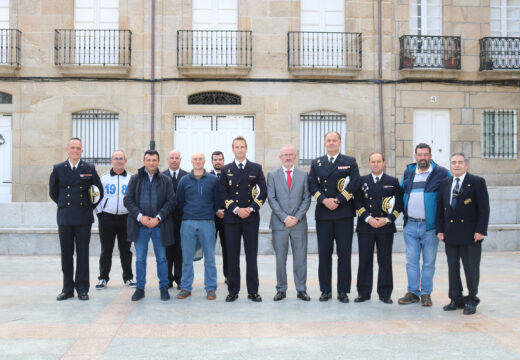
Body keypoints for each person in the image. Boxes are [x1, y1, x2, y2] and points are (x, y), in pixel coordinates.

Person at [308, 131, 360, 303]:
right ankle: (325, 290)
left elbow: (355, 183)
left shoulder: (349, 162)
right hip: (324, 214)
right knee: (324, 254)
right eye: (328, 140)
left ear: (340, 142)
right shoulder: (316, 163)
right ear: (324, 143)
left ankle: (343, 291)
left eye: (334, 140)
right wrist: (323, 200)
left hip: (343, 213)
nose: (331, 143)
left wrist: (338, 199)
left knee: (344, 254)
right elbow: (312, 184)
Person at [49, 137, 103, 301]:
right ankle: (67, 288)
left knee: (83, 254)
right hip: (65, 217)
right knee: (66, 254)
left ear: (82, 151)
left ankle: (82, 288)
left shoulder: (89, 168)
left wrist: (87, 207)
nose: (75, 150)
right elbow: (53, 192)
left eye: (78, 148)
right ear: (67, 150)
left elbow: (98, 191)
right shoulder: (58, 168)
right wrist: (64, 205)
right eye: (72, 147)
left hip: (83, 218)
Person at [436, 152, 489, 315]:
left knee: (471, 269)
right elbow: (440, 209)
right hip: (450, 234)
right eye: (453, 162)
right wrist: (440, 230)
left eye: (460, 162)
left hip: (471, 235)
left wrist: (480, 230)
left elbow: (484, 209)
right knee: (453, 268)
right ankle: (455, 298)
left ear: (466, 165)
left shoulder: (477, 182)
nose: (456, 165)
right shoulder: (445, 183)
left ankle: (472, 299)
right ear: (450, 165)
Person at [398, 143, 449, 307]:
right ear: (415, 156)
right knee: (411, 261)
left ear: (431, 156)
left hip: (430, 227)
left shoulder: (441, 173)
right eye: (419, 155)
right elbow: (400, 193)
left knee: (428, 262)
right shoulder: (409, 172)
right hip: (411, 225)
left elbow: (450, 193)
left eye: (425, 155)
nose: (422, 158)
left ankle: (426, 293)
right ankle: (413, 292)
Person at [219, 136, 267, 302]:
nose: (239, 150)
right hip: (232, 219)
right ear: (233, 150)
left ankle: (253, 291)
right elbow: (223, 193)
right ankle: (233, 290)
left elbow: (263, 192)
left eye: (242, 147)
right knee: (232, 255)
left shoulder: (256, 168)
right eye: (236, 147)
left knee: (251, 255)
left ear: (246, 149)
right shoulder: (226, 170)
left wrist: (251, 208)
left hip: (251, 218)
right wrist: (236, 209)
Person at [124, 150, 176, 301]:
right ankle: (140, 288)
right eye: (148, 160)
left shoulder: (165, 180)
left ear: (158, 161)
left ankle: (164, 287)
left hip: (159, 226)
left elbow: (171, 201)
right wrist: (140, 217)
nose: (151, 163)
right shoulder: (135, 179)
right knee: (140, 258)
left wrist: (158, 218)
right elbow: (128, 200)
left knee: (162, 258)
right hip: (140, 226)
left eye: (154, 160)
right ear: (144, 161)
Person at [353, 152, 403, 304]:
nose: (375, 164)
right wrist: (368, 218)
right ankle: (363, 292)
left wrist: (387, 220)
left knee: (385, 261)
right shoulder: (362, 181)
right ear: (369, 163)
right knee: (364, 260)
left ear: (384, 163)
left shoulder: (393, 181)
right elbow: (357, 203)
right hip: (366, 226)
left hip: (385, 227)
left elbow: (399, 204)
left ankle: (385, 293)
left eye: (378, 161)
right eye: (373, 161)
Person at [267, 145, 311, 301]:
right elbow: (271, 198)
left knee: (300, 258)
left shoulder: (303, 175)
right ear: (280, 157)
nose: (287, 157)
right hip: (280, 224)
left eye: (290, 154)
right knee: (280, 258)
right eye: (285, 154)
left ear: (295, 156)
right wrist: (285, 218)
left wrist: (296, 217)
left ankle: (301, 289)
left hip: (299, 224)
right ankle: (281, 289)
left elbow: (307, 198)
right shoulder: (272, 175)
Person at [175, 152, 220, 300]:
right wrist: (190, 213)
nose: (198, 161)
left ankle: (211, 288)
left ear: (204, 161)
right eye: (195, 159)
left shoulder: (213, 180)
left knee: (210, 258)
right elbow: (179, 202)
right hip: (188, 222)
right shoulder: (184, 180)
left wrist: (208, 212)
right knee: (186, 257)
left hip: (207, 222)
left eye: (200, 159)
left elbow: (217, 201)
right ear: (191, 161)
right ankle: (186, 287)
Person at [95, 150, 135, 290]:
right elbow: (95, 196)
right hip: (107, 218)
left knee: (126, 250)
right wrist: (100, 213)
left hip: (126, 218)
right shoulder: (103, 178)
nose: (118, 161)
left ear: (125, 160)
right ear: (111, 161)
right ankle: (103, 278)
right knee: (106, 250)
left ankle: (128, 278)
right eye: (116, 158)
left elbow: (135, 198)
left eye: (121, 158)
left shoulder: (131, 178)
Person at [162, 150, 188, 289]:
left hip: (182, 220)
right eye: (171, 158)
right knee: (167, 251)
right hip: (166, 220)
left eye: (176, 158)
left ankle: (179, 279)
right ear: (167, 159)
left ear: (180, 159)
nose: (174, 160)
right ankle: (167, 279)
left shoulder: (187, 176)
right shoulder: (161, 176)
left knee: (180, 251)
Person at [210, 150, 228, 283]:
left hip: (227, 218)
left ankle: (228, 276)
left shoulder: (229, 175)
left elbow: (233, 195)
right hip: (211, 218)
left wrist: (225, 211)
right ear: (212, 162)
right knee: (209, 249)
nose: (218, 162)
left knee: (228, 248)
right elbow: (205, 197)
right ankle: (210, 277)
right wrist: (215, 210)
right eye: (215, 159)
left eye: (220, 159)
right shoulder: (207, 177)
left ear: (223, 161)